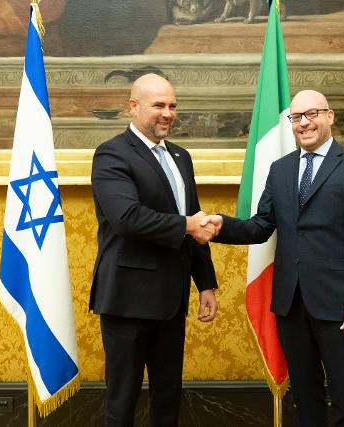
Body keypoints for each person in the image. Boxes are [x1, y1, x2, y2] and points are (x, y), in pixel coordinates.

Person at [202, 90, 344, 426]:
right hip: (290, 306)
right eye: (296, 117)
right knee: (305, 402)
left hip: (341, 310)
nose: (304, 123)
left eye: (311, 114)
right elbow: (260, 226)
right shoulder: (280, 169)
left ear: (330, 116)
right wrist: (220, 226)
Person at [89, 73, 219, 427]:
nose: (168, 114)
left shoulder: (180, 156)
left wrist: (205, 284)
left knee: (168, 399)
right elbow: (127, 218)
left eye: (172, 106)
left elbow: (194, 219)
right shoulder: (111, 154)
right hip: (127, 300)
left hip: (171, 301)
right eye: (158, 105)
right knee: (122, 401)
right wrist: (188, 225)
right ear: (133, 107)